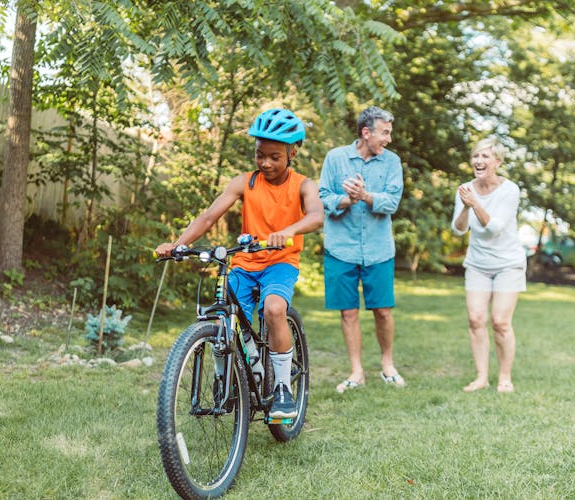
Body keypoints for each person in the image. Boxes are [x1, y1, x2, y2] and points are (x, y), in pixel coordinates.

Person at [155, 108, 324, 418]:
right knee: (223, 320)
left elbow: (316, 216)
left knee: (274, 310)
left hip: (280, 262)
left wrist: (287, 231)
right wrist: (178, 245)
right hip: (245, 262)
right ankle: (224, 379)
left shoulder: (303, 185)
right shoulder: (244, 182)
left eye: (275, 156)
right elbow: (208, 216)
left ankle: (283, 387)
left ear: (293, 152)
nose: (265, 163)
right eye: (260, 155)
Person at [318, 106, 405, 393]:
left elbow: (392, 202)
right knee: (348, 313)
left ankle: (387, 365)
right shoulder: (336, 158)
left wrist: (365, 196)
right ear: (366, 132)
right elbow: (324, 197)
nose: (389, 139)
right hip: (340, 249)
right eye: (385, 132)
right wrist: (348, 200)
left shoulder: (392, 162)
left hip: (379, 250)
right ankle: (356, 371)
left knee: (382, 311)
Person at [451, 136, 526, 393]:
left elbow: (494, 228)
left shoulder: (510, 190)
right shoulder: (464, 189)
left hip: (508, 263)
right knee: (475, 318)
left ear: (498, 161)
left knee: (500, 321)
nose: (478, 161)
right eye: (475, 156)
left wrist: (475, 204)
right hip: (478, 263)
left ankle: (505, 377)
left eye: (485, 156)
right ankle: (481, 377)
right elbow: (458, 229)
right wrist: (464, 208)